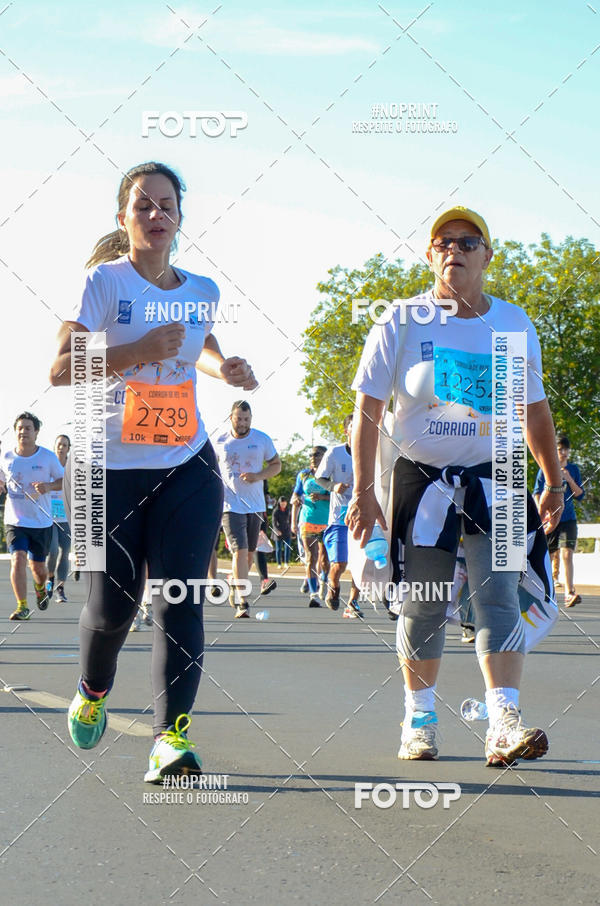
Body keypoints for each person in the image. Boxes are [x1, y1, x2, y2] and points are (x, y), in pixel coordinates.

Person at [49, 161, 257, 782]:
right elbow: (60, 369)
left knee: (180, 599)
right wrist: (136, 352)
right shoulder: (103, 283)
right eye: (142, 206)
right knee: (112, 608)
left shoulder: (202, 289)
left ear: (180, 217)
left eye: (166, 205)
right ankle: (93, 688)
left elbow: (201, 345)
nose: (155, 214)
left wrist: (228, 369)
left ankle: (171, 740)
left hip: (184, 464)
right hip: (100, 470)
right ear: (123, 218)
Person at [349, 205, 564, 765]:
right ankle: (418, 721)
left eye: (469, 242)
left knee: (498, 599)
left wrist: (553, 482)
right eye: (444, 242)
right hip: (423, 480)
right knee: (422, 604)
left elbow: (534, 410)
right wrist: (364, 491)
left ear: (489, 256)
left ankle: (504, 721)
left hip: (500, 477)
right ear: (429, 255)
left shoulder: (513, 323)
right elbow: (369, 409)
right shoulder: (401, 319)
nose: (456, 251)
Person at [214, 400, 281, 617]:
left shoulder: (261, 439)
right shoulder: (219, 440)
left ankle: (235, 582)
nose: (242, 423)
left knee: (250, 554)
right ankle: (243, 601)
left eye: (246, 419)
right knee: (240, 550)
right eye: (238, 418)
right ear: (231, 417)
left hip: (255, 504)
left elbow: (276, 465)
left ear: (250, 419)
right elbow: (207, 467)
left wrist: (258, 476)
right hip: (230, 505)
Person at [0, 413, 64, 620]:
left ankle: (40, 588)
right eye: (20, 428)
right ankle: (22, 606)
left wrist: (48, 486)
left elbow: (65, 480)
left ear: (36, 432)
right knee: (17, 559)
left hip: (40, 521)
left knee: (38, 569)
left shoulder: (47, 457)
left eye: (28, 428)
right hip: (15, 521)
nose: (23, 432)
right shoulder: (6, 457)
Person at [315, 415, 362, 618]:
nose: (358, 429)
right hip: (339, 518)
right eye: (353, 426)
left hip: (362, 516)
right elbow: (320, 478)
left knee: (361, 565)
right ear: (346, 431)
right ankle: (333, 587)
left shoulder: (371, 452)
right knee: (339, 564)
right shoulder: (335, 453)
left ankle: (353, 602)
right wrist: (334, 486)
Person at [534, 435, 585, 607]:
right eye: (560, 449)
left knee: (566, 553)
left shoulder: (574, 469)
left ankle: (569, 592)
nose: (563, 452)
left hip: (568, 520)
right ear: (554, 450)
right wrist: (540, 512)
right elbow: (537, 493)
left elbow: (580, 495)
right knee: (547, 556)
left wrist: (569, 479)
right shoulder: (545, 469)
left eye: (566, 449)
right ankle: (544, 593)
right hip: (550, 519)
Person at [291, 446, 330, 607]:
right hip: (307, 519)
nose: (313, 457)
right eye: (311, 455)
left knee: (324, 559)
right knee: (310, 557)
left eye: (317, 455)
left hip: (327, 521)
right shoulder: (304, 474)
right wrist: (295, 500)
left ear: (325, 457)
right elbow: (296, 493)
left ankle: (323, 579)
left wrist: (322, 496)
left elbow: (339, 495)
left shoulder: (330, 474)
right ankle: (313, 595)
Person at [46, 434, 72, 604]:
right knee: (53, 550)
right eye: (59, 444)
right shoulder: (47, 465)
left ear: (69, 448)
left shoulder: (73, 467)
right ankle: (50, 579)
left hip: (66, 516)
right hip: (48, 517)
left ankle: (60, 589)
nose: (61, 447)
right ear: (54, 446)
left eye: (64, 445)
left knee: (65, 551)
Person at [272, 497, 292, 566]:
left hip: (287, 530)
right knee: (279, 548)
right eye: (282, 503)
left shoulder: (288, 510)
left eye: (284, 503)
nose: (283, 505)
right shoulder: (276, 511)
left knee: (287, 547)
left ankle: (286, 562)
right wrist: (277, 530)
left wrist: (292, 531)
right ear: (279, 503)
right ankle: (279, 563)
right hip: (278, 531)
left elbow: (290, 521)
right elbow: (274, 523)